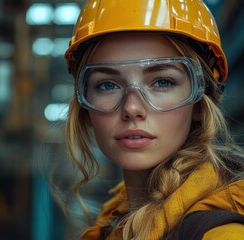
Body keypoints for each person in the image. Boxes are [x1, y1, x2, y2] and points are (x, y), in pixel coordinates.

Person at [57, 0, 244, 239]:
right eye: (107, 85)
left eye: (162, 82)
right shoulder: (114, 222)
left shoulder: (222, 234)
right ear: (86, 107)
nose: (132, 108)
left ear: (199, 101)